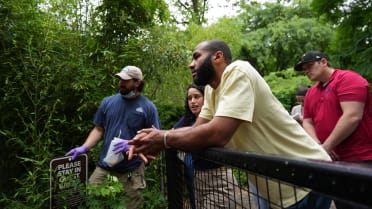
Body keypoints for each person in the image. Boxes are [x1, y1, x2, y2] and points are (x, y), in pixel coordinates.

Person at [128, 40, 332, 209]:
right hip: (278, 187)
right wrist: (155, 137)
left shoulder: (238, 71)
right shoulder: (210, 90)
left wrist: (164, 139)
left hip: (307, 177)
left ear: (218, 57)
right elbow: (197, 130)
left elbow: (218, 134)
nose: (191, 64)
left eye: (196, 56)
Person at [65, 65, 161, 209]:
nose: (121, 83)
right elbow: (98, 129)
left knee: (131, 205)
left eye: (126, 80)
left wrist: (133, 146)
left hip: (131, 169)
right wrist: (84, 147)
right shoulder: (108, 102)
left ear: (137, 83)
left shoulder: (148, 107)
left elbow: (155, 139)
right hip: (105, 166)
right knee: (91, 199)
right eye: (120, 79)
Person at [294, 51, 372, 209]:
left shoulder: (348, 78)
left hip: (359, 159)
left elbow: (352, 116)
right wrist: (319, 146)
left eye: (309, 66)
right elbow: (307, 122)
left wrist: (326, 147)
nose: (306, 71)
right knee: (342, 204)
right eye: (304, 69)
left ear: (323, 61)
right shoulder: (311, 93)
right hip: (332, 161)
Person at [174, 84, 245, 209]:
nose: (193, 102)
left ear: (206, 98)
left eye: (197, 97)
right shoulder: (187, 120)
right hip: (198, 180)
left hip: (219, 179)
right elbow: (173, 133)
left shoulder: (217, 118)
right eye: (189, 98)